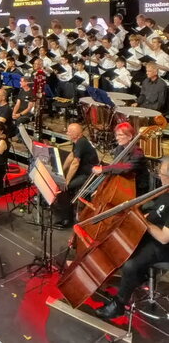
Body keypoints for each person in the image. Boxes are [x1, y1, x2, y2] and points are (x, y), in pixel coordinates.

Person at [96, 157, 169, 320]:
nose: (159, 176)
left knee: (130, 265)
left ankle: (119, 305)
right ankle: (136, 278)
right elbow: (158, 213)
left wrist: (142, 221)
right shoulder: (166, 191)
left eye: (162, 174)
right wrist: (142, 216)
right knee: (121, 242)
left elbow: (164, 238)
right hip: (153, 235)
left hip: (163, 247)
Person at [53, 123, 100, 229]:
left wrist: (67, 180)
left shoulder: (81, 143)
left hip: (88, 175)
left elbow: (75, 163)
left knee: (64, 189)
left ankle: (66, 219)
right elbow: (71, 156)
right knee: (64, 185)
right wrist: (61, 171)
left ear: (75, 134)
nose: (67, 133)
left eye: (69, 131)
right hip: (82, 172)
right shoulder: (77, 141)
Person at [92, 122, 150, 194]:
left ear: (130, 137)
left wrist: (104, 169)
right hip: (124, 181)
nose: (117, 138)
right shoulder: (119, 148)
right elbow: (116, 166)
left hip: (136, 187)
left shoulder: (137, 152)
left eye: (120, 135)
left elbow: (126, 168)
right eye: (116, 135)